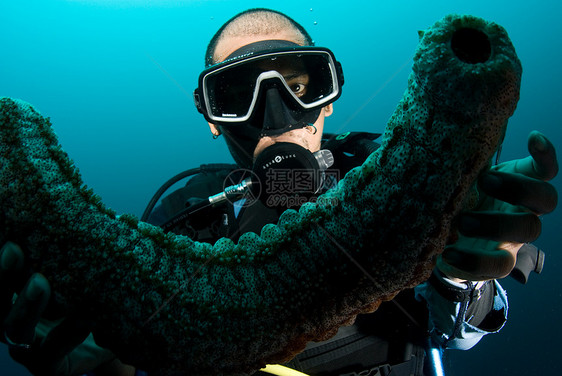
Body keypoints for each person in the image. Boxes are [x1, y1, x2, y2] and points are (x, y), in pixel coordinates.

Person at [0, 8, 558, 376]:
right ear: (213, 118)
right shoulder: (185, 217)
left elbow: (453, 335)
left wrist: (464, 273)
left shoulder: (382, 169)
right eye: (237, 93)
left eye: (297, 84)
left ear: (329, 96)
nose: (276, 116)